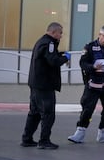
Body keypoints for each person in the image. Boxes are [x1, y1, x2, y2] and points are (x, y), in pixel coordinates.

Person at [20, 22, 70, 150]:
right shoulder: (49, 43)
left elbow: (49, 57)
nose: (61, 36)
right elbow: (52, 61)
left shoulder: (43, 41)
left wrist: (61, 55)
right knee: (48, 113)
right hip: (44, 85)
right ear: (53, 32)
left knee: (35, 112)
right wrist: (65, 59)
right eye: (60, 33)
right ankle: (44, 141)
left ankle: (27, 139)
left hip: (36, 84)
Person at [68, 25, 104, 144]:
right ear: (100, 35)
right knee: (87, 109)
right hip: (93, 85)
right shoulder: (90, 47)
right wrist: (93, 67)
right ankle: (80, 132)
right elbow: (82, 63)